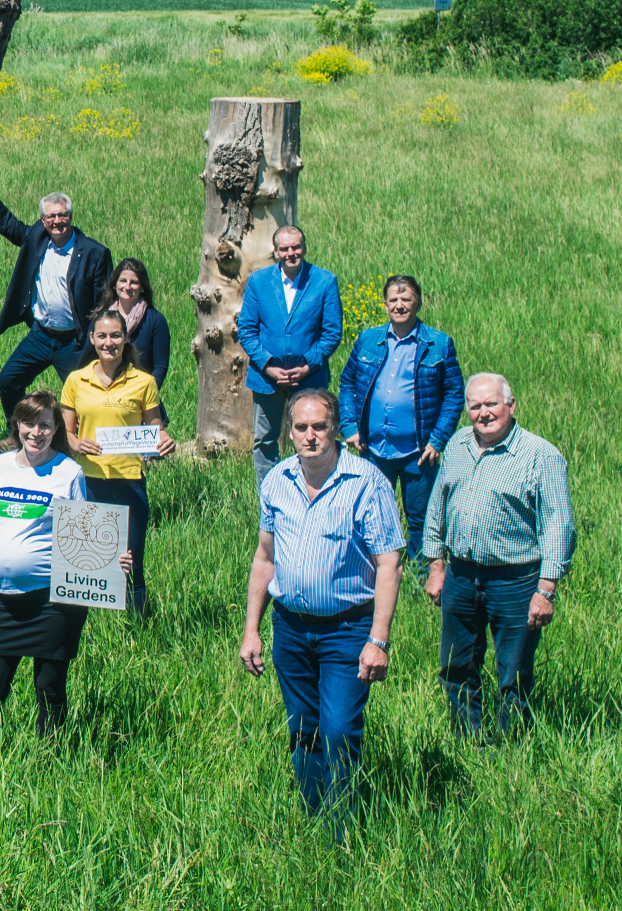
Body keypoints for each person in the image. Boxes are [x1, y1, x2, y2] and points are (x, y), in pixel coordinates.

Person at [238, 389, 403, 829]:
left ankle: (341, 830)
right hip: (289, 627)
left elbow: (389, 564)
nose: (310, 436)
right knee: (302, 728)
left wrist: (378, 640)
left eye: (319, 427)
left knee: (337, 731)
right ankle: (312, 817)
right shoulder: (277, 481)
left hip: (347, 630)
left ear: (334, 430)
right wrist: (251, 629)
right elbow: (264, 557)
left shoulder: (366, 483)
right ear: (289, 432)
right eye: (300, 427)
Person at [0, 392, 129, 743]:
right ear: (17, 425)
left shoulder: (68, 471)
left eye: (45, 425)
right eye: (29, 423)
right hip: (4, 598)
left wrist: (113, 561)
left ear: (56, 429)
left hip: (54, 599)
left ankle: (51, 760)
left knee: (49, 686)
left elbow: (86, 537)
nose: (36, 433)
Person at [422, 374, 576, 739]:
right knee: (456, 666)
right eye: (475, 406)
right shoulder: (458, 444)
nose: (484, 413)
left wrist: (546, 589)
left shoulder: (541, 455)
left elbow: (558, 524)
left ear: (511, 405)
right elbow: (437, 507)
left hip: (516, 581)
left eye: (491, 404)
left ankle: (510, 752)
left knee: (513, 673)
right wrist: (436, 565)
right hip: (460, 575)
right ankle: (468, 743)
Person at [0, 154, 116, 420]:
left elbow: (104, 304)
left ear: (71, 216)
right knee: (8, 380)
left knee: (84, 398)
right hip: (40, 335)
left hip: (74, 341)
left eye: (62, 216)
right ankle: (19, 433)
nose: (56, 222)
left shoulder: (95, 253)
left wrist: (95, 340)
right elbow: (6, 223)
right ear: (42, 220)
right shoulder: (37, 239)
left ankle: (80, 442)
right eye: (50, 217)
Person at [338, 275, 465, 566]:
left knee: (421, 518)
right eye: (393, 300)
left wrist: (438, 439)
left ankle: (424, 578)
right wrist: (348, 427)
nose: (399, 305)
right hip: (372, 449)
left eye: (406, 299)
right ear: (385, 306)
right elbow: (347, 383)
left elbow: (454, 394)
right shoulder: (368, 339)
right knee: (368, 516)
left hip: (418, 452)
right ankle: (372, 574)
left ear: (418, 303)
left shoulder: (439, 344)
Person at [62, 307, 175, 613]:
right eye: (102, 336)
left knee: (131, 562)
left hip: (129, 480)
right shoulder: (76, 380)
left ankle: (136, 631)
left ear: (126, 339)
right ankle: (87, 628)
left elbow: (154, 427)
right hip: (88, 481)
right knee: (86, 564)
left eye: (115, 336)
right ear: (92, 339)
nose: (108, 342)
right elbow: (65, 432)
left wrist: (163, 440)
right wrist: (76, 443)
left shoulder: (143, 382)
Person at [236, 226, 344, 485]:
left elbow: (331, 333)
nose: (291, 253)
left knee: (313, 437)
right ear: (275, 251)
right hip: (267, 379)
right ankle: (270, 497)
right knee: (265, 440)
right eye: (284, 248)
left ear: (304, 248)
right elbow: (247, 329)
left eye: (296, 247)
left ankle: (313, 488)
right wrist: (267, 364)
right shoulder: (259, 281)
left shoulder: (324, 281)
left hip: (308, 379)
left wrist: (308, 365)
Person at [109, 258, 171, 397]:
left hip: (140, 394)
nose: (128, 286)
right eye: (123, 280)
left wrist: (146, 396)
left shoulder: (155, 320)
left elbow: (160, 367)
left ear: (143, 287)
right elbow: (87, 361)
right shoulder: (102, 319)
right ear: (115, 284)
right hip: (105, 396)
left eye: (134, 282)